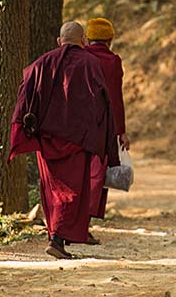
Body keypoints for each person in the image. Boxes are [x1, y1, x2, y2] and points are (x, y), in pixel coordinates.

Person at [9, 21, 119, 259]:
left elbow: (24, 98)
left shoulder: (40, 63)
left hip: (47, 139)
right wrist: (105, 140)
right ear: (83, 41)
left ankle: (56, 236)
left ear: (59, 41)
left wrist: (23, 131)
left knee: (53, 189)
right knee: (74, 190)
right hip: (78, 138)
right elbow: (103, 103)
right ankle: (57, 239)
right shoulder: (91, 64)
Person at [84, 17, 129, 238]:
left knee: (81, 174)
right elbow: (115, 98)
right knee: (98, 174)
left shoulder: (81, 57)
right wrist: (121, 131)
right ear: (110, 39)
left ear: (88, 39)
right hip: (104, 127)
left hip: (78, 128)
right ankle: (84, 225)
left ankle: (77, 226)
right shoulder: (112, 61)